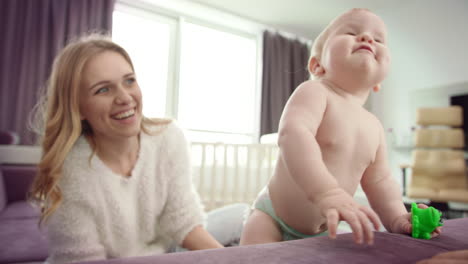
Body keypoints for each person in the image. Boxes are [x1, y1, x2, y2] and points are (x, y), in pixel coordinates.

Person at [29, 34, 247, 264]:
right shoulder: (70, 173)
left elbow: (182, 221)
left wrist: (232, 260)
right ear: (78, 108)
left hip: (164, 251)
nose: (125, 97)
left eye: (129, 80)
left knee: (242, 215)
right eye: (103, 90)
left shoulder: (168, 137)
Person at [240, 8, 441, 246]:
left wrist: (397, 217)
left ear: (379, 83)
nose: (367, 38)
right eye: (351, 32)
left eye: (378, 39)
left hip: (323, 230)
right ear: (317, 66)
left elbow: (380, 182)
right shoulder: (315, 92)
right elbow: (293, 134)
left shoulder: (374, 127)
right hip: (272, 219)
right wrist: (327, 193)